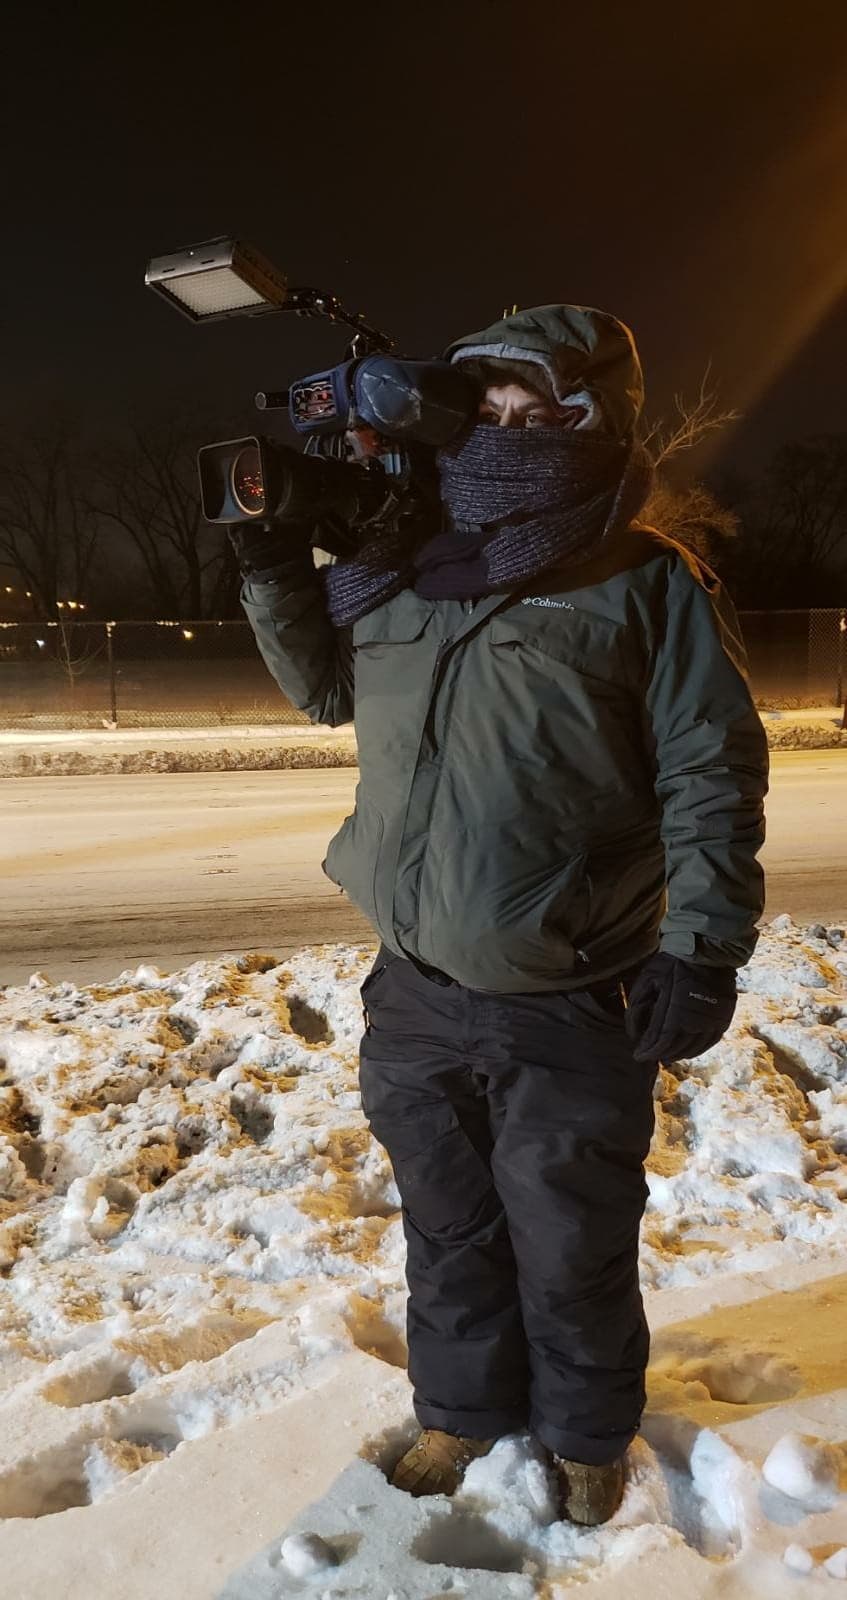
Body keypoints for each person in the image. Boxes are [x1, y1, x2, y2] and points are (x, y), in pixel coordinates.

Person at [235, 305, 769, 1525]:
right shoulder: (409, 568)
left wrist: (705, 945)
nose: (512, 434)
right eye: (490, 412)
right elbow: (326, 689)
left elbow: (711, 769)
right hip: (416, 982)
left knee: (570, 1231)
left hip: (570, 987)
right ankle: (460, 1411)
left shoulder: (643, 580)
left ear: (594, 426)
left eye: (543, 415)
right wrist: (275, 566)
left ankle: (585, 1434)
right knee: (448, 1223)